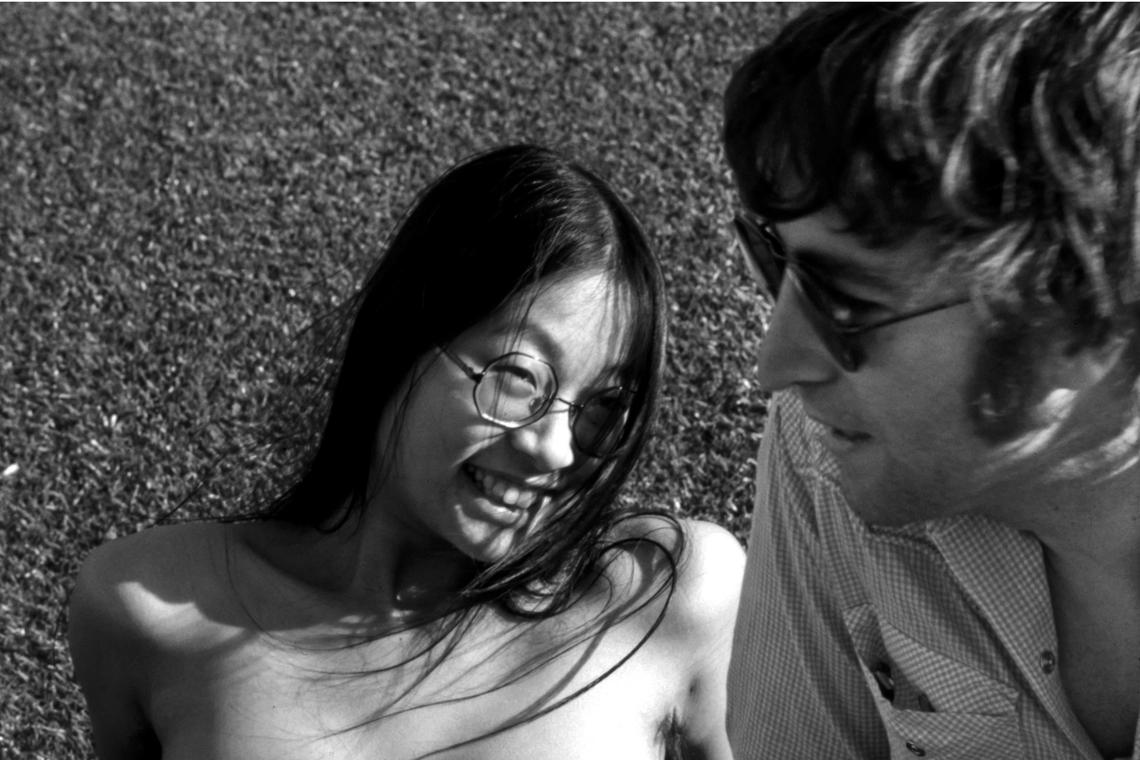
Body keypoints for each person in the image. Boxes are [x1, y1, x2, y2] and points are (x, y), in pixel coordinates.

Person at [68, 144, 743, 760]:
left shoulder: (673, 594)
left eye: (602, 410)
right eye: (515, 378)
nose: (557, 450)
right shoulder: (146, 607)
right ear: (405, 337)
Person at [723, 4, 1140, 759]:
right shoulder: (826, 450)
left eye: (843, 300)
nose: (775, 364)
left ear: (1082, 315)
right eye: (775, 262)